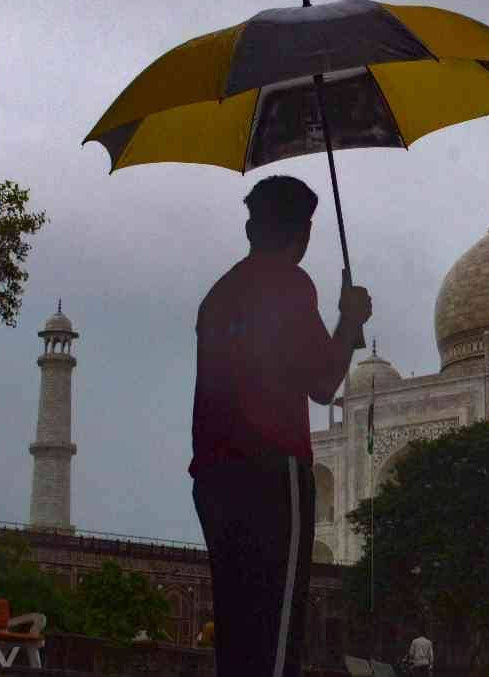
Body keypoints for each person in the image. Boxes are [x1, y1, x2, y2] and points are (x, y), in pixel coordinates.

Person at [189, 176, 372, 677]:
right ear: (305, 232)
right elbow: (322, 382)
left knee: (238, 623)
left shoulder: (219, 293)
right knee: (277, 622)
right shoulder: (288, 283)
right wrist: (349, 322)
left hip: (213, 478)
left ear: (251, 226)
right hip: (271, 472)